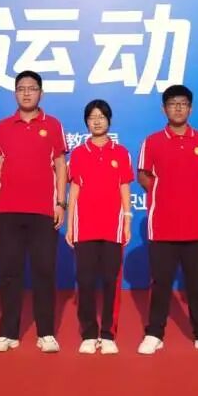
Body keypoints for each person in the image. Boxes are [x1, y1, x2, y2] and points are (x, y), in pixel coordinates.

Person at [136, 84, 198, 356]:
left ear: (190, 108)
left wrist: (196, 187)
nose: (178, 108)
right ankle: (154, 333)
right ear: (164, 109)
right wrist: (164, 191)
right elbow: (143, 175)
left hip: (195, 226)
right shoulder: (152, 141)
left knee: (197, 284)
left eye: (183, 103)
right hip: (162, 226)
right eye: (172, 104)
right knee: (161, 283)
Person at [0, 71, 68, 353]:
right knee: (9, 273)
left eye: (32, 88)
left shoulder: (53, 125)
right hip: (6, 211)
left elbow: (60, 166)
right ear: (15, 93)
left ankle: (46, 332)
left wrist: (60, 203)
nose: (26, 93)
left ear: (41, 93)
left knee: (44, 271)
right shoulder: (3, 126)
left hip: (43, 211)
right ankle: (8, 332)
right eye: (21, 88)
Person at [66, 100, 133, 355]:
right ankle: (88, 333)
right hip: (84, 226)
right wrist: (70, 225)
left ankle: (107, 334)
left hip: (112, 226)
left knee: (110, 281)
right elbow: (74, 190)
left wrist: (127, 220)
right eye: (92, 117)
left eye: (101, 117)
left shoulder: (121, 152)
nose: (97, 121)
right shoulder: (79, 154)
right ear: (86, 122)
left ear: (109, 120)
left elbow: (124, 187)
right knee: (84, 280)